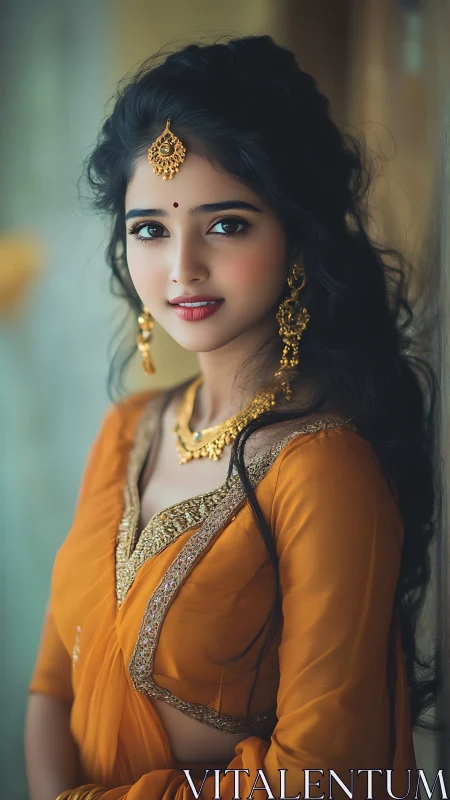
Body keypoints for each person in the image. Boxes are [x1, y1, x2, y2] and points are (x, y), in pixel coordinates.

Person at [25, 34, 440, 800]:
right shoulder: (130, 431)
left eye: (225, 224)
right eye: (149, 228)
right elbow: (53, 687)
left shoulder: (322, 469)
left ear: (297, 236)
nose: (181, 266)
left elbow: (322, 778)